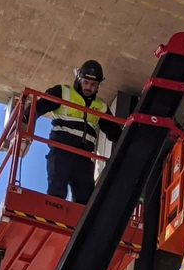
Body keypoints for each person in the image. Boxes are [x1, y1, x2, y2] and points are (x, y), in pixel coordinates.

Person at [25, 60, 122, 204]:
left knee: (84, 203)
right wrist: (25, 120)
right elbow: (38, 107)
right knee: (56, 195)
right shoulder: (63, 93)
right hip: (61, 152)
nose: (89, 87)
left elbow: (113, 131)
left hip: (84, 158)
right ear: (79, 79)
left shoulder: (100, 106)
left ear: (98, 86)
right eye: (86, 82)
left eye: (93, 84)